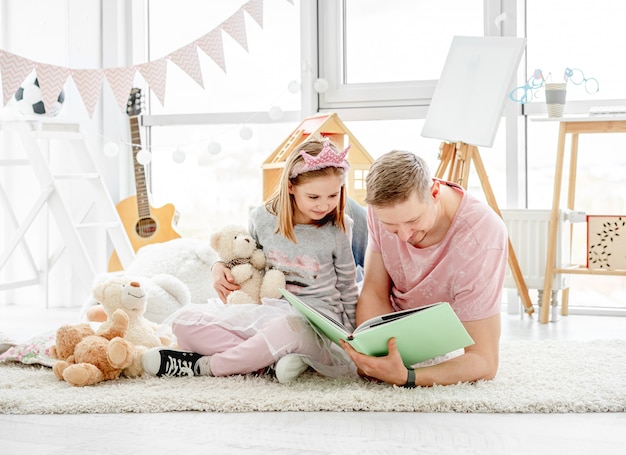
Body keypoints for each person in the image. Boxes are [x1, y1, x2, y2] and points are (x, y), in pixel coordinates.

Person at [142, 138, 359, 383]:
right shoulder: (262, 218)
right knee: (183, 323)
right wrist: (219, 267)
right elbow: (244, 258)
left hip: (315, 325)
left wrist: (354, 340)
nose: (324, 204)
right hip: (266, 311)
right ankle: (265, 360)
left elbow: (347, 287)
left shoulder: (339, 227)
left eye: (333, 195)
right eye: (313, 197)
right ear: (290, 186)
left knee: (285, 331)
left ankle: (206, 366)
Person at [340, 150, 506, 388]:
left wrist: (408, 377)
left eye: (413, 222)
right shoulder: (383, 213)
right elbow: (374, 290)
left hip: (434, 332)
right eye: (391, 227)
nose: (404, 236)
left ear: (435, 192)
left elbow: (484, 361)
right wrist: (374, 354)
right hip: (393, 319)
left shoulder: (482, 236)